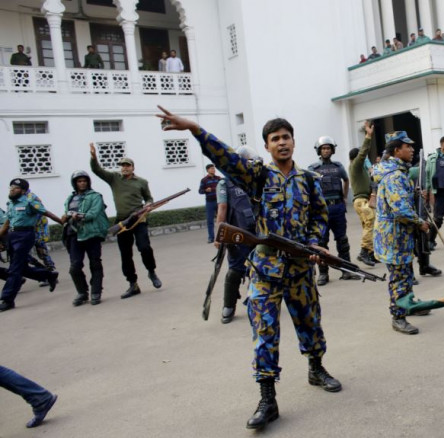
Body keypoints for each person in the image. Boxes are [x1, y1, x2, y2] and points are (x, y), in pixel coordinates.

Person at [157, 105, 343, 430]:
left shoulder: (309, 180)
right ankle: (267, 399)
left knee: (310, 322)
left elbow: (319, 216)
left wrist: (316, 243)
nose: (282, 142)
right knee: (264, 332)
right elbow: (227, 159)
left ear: (294, 141)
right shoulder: (258, 177)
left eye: (286, 137)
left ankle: (316, 369)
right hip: (265, 271)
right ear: (267, 146)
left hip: (300, 269)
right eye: (275, 139)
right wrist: (195, 129)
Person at [374, 131, 431, 335]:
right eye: (408, 146)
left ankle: (409, 304)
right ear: (397, 151)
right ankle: (398, 317)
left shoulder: (399, 172)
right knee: (399, 277)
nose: (412, 149)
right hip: (394, 237)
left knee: (406, 274)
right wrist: (420, 223)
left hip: (399, 236)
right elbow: (400, 209)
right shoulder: (394, 176)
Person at [90, 143, 162, 298]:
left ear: (132, 167)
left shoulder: (142, 182)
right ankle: (132, 284)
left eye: (127, 165)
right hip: (122, 222)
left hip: (139, 219)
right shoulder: (114, 178)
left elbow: (148, 198)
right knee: (125, 254)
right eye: (122, 165)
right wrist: (94, 157)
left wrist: (148, 204)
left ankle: (151, 272)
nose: (124, 168)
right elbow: (97, 170)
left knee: (145, 247)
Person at [0, 179, 61, 312]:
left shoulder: (30, 202)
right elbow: (7, 223)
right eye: (11, 187)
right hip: (12, 235)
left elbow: (46, 212)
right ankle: (48, 275)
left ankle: (7, 299)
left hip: (25, 235)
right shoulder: (10, 204)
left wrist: (62, 222)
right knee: (22, 268)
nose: (12, 189)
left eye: (15, 188)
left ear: (23, 191)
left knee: (15, 269)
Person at [214, 146, 259, 324]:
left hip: (258, 233)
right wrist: (220, 235)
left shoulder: (255, 181)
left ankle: (256, 302)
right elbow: (222, 209)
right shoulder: (224, 184)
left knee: (259, 268)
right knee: (235, 270)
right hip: (237, 235)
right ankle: (229, 305)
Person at [308, 136, 359, 285]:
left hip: (337, 208)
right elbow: (308, 186)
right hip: (322, 210)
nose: (326, 151)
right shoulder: (313, 169)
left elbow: (346, 180)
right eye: (323, 148)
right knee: (321, 242)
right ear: (319, 150)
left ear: (332, 150)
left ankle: (346, 270)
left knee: (342, 240)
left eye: (328, 148)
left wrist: (344, 197)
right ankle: (323, 273)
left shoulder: (338, 167)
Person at [62, 170, 110, 307]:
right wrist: (66, 217)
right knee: (75, 266)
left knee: (95, 263)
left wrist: (79, 216)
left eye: (84, 181)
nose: (82, 183)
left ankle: (96, 291)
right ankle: (82, 292)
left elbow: (93, 213)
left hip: (91, 234)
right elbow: (66, 213)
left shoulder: (95, 196)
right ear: (75, 183)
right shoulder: (70, 198)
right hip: (74, 234)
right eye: (79, 181)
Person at [348, 121, 378, 267]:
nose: (364, 158)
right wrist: (368, 136)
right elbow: (362, 154)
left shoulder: (360, 170)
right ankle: (363, 252)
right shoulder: (355, 166)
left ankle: (371, 253)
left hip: (363, 200)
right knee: (370, 222)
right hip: (361, 201)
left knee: (368, 225)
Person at [199, 164, 222, 243]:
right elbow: (200, 191)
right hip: (210, 202)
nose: (213, 170)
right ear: (208, 170)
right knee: (210, 221)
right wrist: (206, 190)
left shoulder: (218, 178)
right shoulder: (204, 180)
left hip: (219, 201)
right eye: (212, 168)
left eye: (214, 168)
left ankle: (222, 237)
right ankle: (211, 238)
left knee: (222, 220)